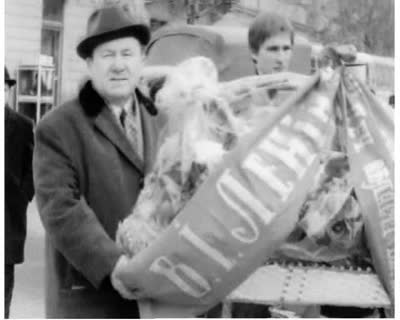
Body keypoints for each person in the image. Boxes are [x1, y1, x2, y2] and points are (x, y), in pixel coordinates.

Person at [33, 5, 162, 318]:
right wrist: (114, 264)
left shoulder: (157, 119)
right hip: (91, 298)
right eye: (107, 55)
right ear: (89, 63)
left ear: (142, 59)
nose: (118, 65)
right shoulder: (58, 127)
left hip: (152, 299)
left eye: (127, 53)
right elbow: (60, 207)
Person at [4, 67, 35, 318]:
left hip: (9, 216)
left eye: (3, 89)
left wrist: (23, 196)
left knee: (4, 281)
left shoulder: (23, 125)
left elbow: (33, 167)